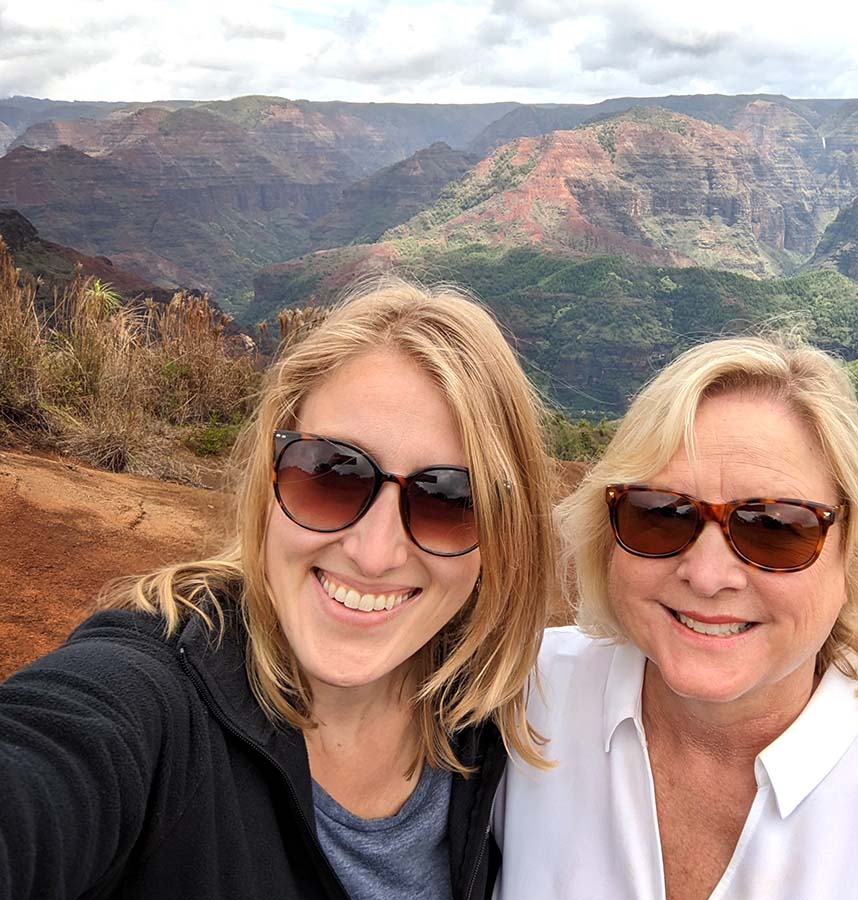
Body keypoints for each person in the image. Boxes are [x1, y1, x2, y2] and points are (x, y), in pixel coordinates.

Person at [0, 281, 555, 900]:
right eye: (329, 473)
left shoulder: (496, 721)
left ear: (504, 533)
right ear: (270, 477)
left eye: (449, 500)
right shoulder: (148, 701)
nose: (374, 554)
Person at [495, 335, 858, 899]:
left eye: (774, 528)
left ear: (852, 556)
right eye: (661, 514)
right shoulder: (521, 697)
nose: (708, 574)